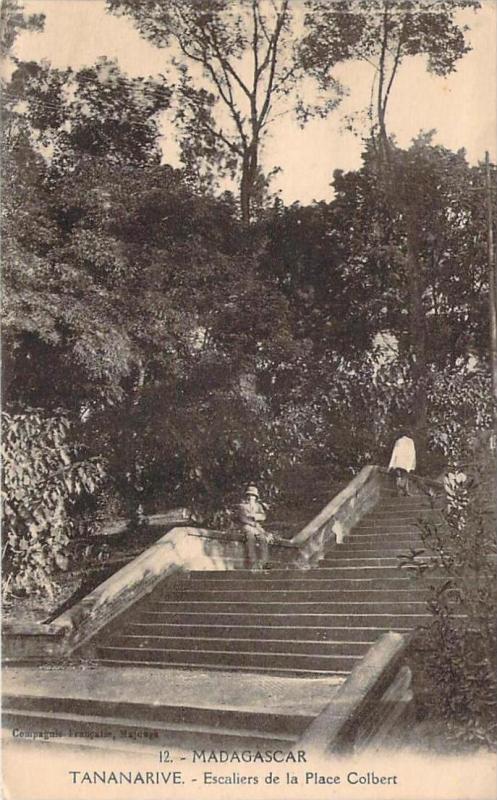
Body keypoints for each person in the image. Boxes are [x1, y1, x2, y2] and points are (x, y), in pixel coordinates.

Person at [236, 485, 274, 571]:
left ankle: (265, 562)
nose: (251, 498)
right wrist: (252, 523)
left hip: (257, 527)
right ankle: (252, 562)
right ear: (247, 496)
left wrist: (255, 516)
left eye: (253, 496)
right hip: (247, 526)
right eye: (249, 495)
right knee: (250, 537)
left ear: (256, 497)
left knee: (263, 539)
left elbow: (263, 516)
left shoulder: (258, 506)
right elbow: (242, 518)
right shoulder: (242, 506)